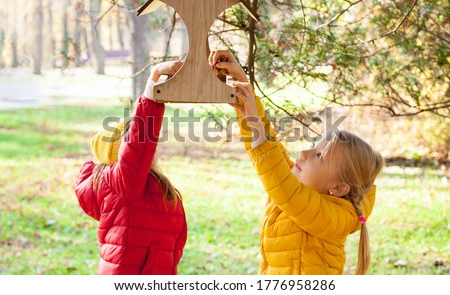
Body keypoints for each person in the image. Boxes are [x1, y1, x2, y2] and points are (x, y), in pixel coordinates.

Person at [209, 51, 384, 275]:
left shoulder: (332, 218)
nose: (304, 152)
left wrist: (252, 117)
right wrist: (244, 90)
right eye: (314, 144)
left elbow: (277, 177)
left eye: (319, 156)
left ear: (338, 188)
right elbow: (272, 153)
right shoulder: (300, 188)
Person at [75, 61, 187, 275]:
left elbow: (175, 246)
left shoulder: (153, 187)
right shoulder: (123, 183)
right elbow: (139, 142)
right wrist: (153, 84)